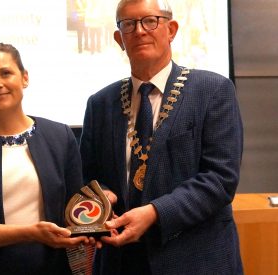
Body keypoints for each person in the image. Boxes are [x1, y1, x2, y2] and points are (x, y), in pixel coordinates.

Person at [79, 0, 243, 274]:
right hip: (120, 262)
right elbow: (87, 176)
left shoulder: (213, 90)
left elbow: (220, 179)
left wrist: (155, 213)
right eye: (129, 24)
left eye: (150, 21)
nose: (140, 31)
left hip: (195, 259)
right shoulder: (100, 104)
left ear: (172, 30)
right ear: (119, 38)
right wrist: (102, 196)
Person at [0, 43, 90, 274]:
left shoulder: (60, 136)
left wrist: (92, 225)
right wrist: (31, 232)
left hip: (51, 267)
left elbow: (75, 211)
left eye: (6, 73)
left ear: (25, 78)